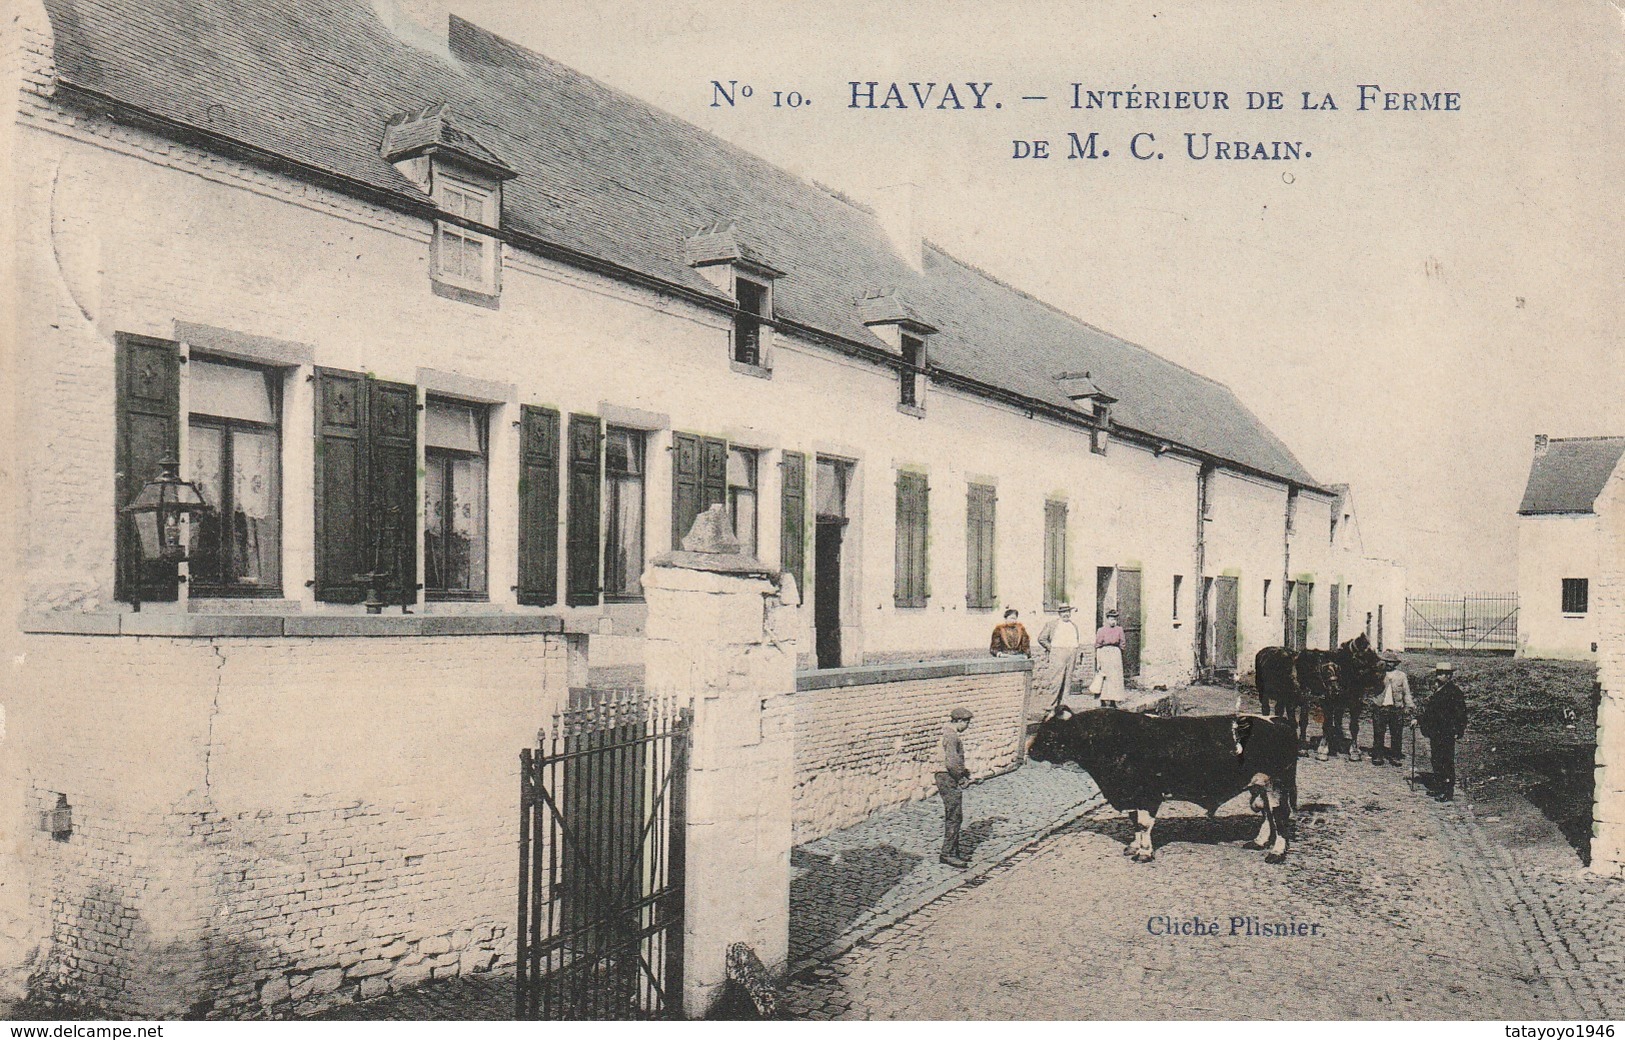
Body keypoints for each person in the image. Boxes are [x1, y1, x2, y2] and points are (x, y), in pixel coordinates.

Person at [1419, 662, 1469, 800]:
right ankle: (1439, 786)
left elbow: (1461, 714)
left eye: (1443, 674)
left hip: (1446, 731)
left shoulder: (1454, 692)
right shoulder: (1438, 690)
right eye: (1438, 673)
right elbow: (1430, 711)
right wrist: (1420, 720)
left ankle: (1447, 791)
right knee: (1436, 759)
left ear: (1449, 676)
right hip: (1436, 731)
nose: (1440, 676)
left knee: (1446, 760)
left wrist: (1459, 729)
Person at [937, 707, 974, 868]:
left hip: (947, 776)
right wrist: (961, 778)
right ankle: (947, 854)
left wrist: (964, 772)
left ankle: (954, 851)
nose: (967, 726)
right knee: (954, 816)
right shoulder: (952, 737)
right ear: (959, 721)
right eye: (967, 723)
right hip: (947, 777)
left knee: (955, 815)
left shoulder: (948, 733)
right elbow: (951, 763)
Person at [1036, 604, 1084, 710]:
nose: (1066, 614)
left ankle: (1063, 707)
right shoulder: (1052, 624)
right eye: (1063, 612)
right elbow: (1041, 638)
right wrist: (1052, 649)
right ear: (1059, 613)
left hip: (1071, 653)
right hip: (1058, 653)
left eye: (1068, 612)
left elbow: (1076, 641)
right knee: (1056, 681)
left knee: (1067, 681)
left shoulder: (1073, 625)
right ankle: (1050, 706)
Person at [1368, 651, 1411, 766]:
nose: (1388, 664)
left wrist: (1408, 705)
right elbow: (1370, 685)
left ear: (1395, 664)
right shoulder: (1378, 674)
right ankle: (1378, 755)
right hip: (1380, 706)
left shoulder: (1401, 676)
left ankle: (1395, 755)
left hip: (1396, 708)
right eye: (1386, 662)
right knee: (1379, 732)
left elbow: (1406, 691)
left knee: (1396, 733)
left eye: (1391, 662)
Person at [1094, 608, 1126, 708]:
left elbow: (1123, 643)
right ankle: (1103, 700)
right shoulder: (1101, 630)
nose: (1113, 621)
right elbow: (1098, 644)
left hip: (1115, 653)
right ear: (1107, 619)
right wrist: (1098, 659)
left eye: (1115, 619)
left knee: (1115, 677)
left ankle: (1113, 700)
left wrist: (1119, 652)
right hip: (1104, 652)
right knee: (1105, 676)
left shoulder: (1119, 629)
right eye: (1111, 619)